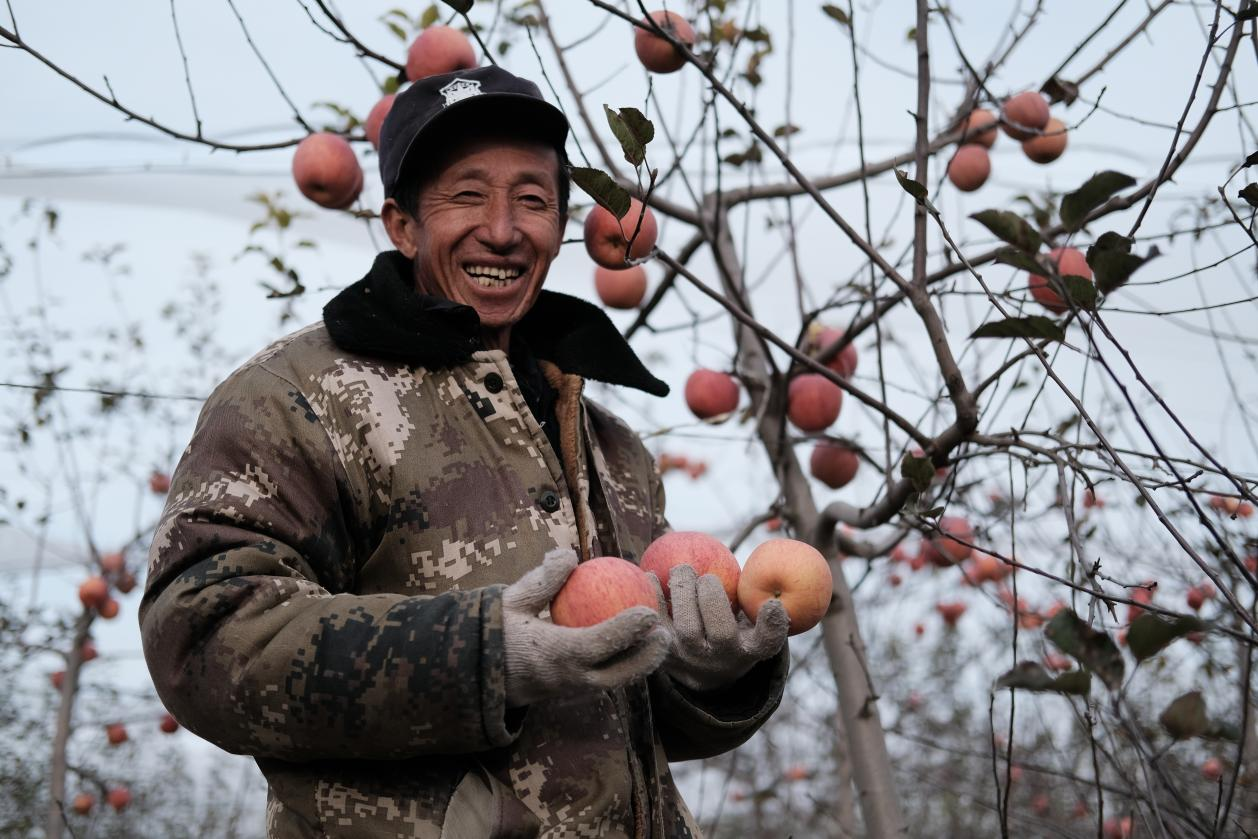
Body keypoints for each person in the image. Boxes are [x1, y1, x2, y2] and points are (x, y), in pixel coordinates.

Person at [140, 65, 789, 839]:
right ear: (403, 224)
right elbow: (202, 638)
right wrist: (480, 655)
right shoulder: (298, 398)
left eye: (532, 200)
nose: (505, 229)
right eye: (468, 194)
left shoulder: (611, 444)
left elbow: (627, 722)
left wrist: (711, 674)